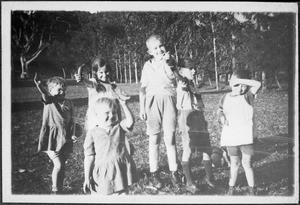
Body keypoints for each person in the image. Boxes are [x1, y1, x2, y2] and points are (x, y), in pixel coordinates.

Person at [139, 34, 181, 189]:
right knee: (154, 139)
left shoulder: (170, 61)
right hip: (151, 102)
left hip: (169, 100)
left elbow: (173, 74)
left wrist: (169, 61)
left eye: (161, 46)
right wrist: (142, 107)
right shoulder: (147, 65)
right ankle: (154, 172)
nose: (159, 49)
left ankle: (174, 171)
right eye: (155, 48)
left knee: (170, 138)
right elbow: (143, 88)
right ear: (150, 51)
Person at [217, 69, 262, 195]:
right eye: (237, 85)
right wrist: (221, 117)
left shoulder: (247, 96)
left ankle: (252, 189)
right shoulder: (224, 97)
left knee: (247, 163)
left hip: (245, 137)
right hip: (231, 137)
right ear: (231, 83)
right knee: (234, 163)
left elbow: (258, 84)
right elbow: (220, 110)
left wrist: (239, 81)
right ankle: (231, 188)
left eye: (244, 86)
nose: (240, 89)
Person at [176, 57, 215, 193]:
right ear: (180, 71)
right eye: (190, 68)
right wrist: (182, 84)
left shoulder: (193, 83)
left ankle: (210, 178)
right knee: (188, 150)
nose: (194, 70)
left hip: (198, 116)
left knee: (206, 148)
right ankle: (189, 182)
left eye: (194, 67)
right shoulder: (182, 84)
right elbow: (182, 90)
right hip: (187, 118)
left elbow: (199, 101)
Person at [83, 97, 137, 195]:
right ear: (97, 115)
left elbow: (130, 122)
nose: (111, 115)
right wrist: (87, 177)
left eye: (114, 112)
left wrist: (124, 105)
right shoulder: (92, 133)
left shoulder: (119, 127)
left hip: (120, 169)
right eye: (107, 113)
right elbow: (89, 157)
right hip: (103, 173)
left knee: (122, 194)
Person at [34, 73, 77, 194]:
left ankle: (60, 187)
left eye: (64, 89)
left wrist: (73, 134)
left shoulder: (69, 102)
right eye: (59, 89)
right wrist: (39, 85)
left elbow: (73, 120)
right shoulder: (49, 100)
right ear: (50, 91)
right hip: (52, 137)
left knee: (62, 166)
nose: (62, 92)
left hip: (65, 136)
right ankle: (55, 189)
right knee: (58, 165)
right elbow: (44, 93)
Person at [74, 56, 129, 131]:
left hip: (110, 119)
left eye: (106, 71)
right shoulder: (94, 83)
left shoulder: (112, 86)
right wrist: (81, 79)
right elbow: (87, 82)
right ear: (95, 73)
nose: (105, 74)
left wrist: (119, 121)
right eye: (101, 72)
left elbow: (118, 103)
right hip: (96, 119)